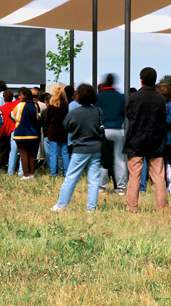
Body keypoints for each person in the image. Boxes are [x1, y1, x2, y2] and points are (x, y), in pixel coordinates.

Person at [123, 67, 170, 212]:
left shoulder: (134, 97)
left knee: (134, 175)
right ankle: (162, 207)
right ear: (155, 81)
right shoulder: (161, 99)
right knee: (158, 176)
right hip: (155, 140)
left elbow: (129, 114)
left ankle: (132, 207)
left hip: (136, 140)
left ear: (141, 80)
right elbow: (163, 119)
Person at [54, 83, 107, 211]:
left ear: (79, 96)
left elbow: (66, 125)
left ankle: (61, 205)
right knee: (94, 180)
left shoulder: (75, 112)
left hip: (80, 149)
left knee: (71, 177)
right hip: (96, 148)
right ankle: (91, 208)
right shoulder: (98, 111)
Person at [95, 74, 127, 191]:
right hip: (119, 129)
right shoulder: (120, 96)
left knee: (103, 159)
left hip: (104, 130)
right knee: (119, 159)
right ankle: (120, 187)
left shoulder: (100, 96)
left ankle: (101, 187)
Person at [41, 87, 69, 178]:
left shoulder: (51, 106)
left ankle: (53, 173)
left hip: (52, 131)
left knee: (53, 153)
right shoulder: (66, 105)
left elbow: (46, 119)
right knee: (65, 153)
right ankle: (66, 172)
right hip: (64, 131)